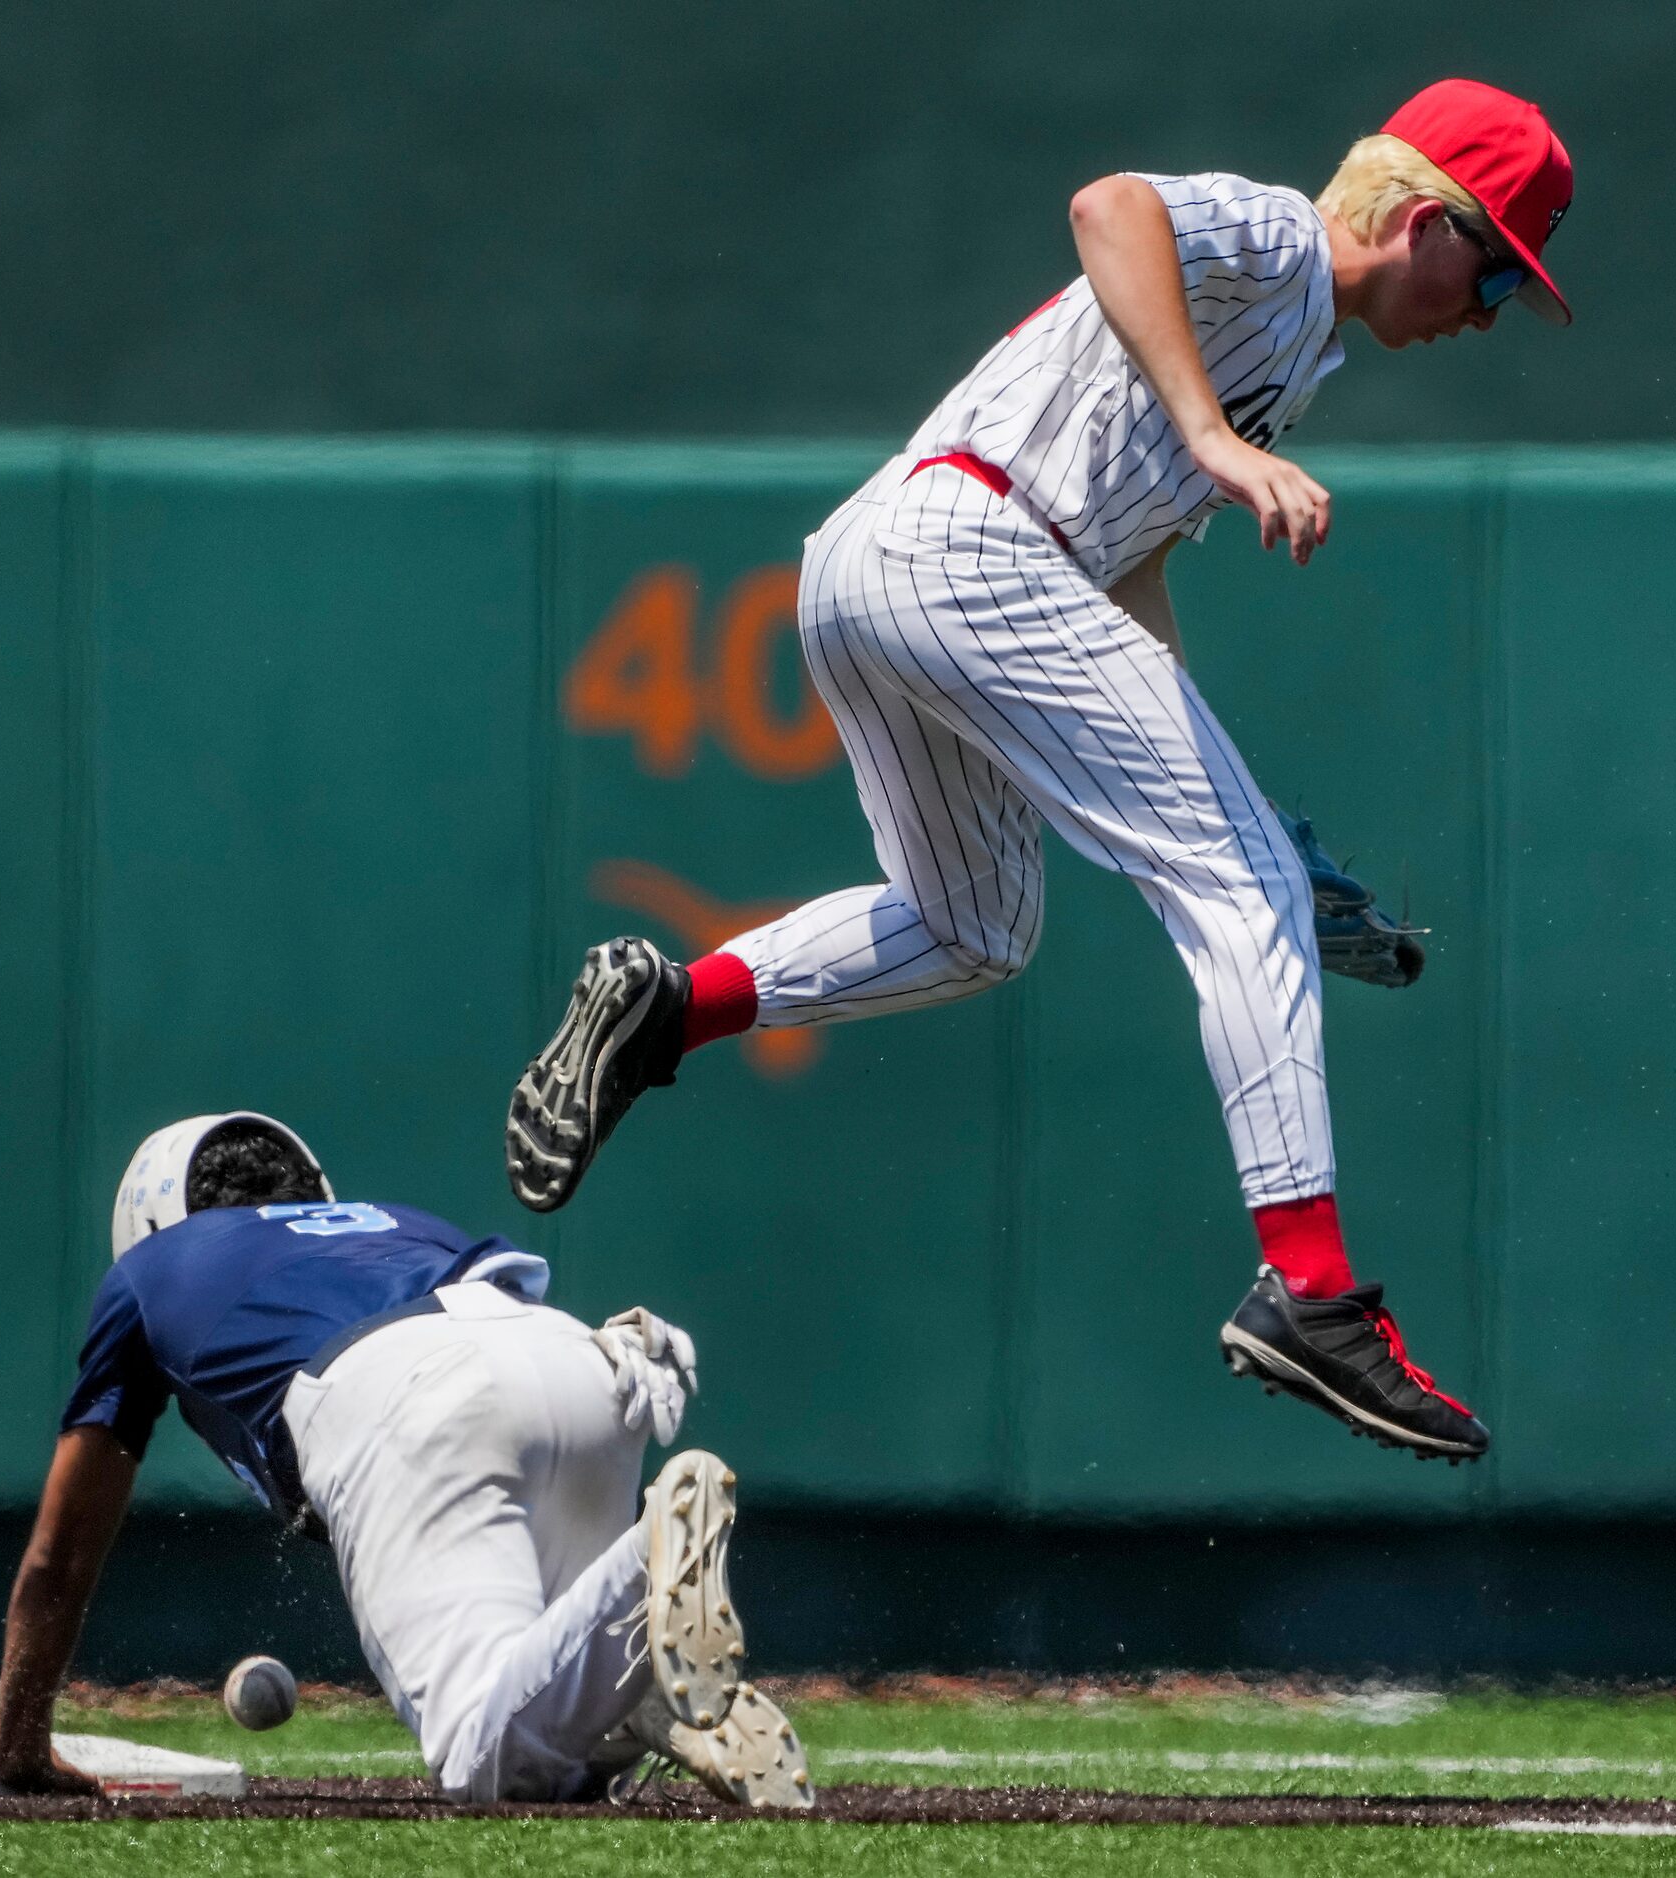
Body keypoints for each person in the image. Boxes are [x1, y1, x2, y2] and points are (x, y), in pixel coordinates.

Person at [507, 79, 1576, 1463]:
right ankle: (1311, 1292)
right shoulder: (1285, 241)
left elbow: (1124, 565)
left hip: (894, 563)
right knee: (1236, 887)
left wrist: (1230, 793)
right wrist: (1212, 438)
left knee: (976, 927)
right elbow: (1108, 205)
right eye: (1494, 268)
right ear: (1429, 221)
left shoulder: (1299, 354)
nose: (1488, 310)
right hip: (969, 542)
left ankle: (669, 1008)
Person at [0, 1111, 810, 1807]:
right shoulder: (393, 1221)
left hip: (407, 1389)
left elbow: (59, 1558)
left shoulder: (152, 1268)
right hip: (580, 1361)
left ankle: (650, 1556)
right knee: (555, 1743)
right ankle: (648, 1701)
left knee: (481, 1761)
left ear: (152, 1223)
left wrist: (14, 1743)